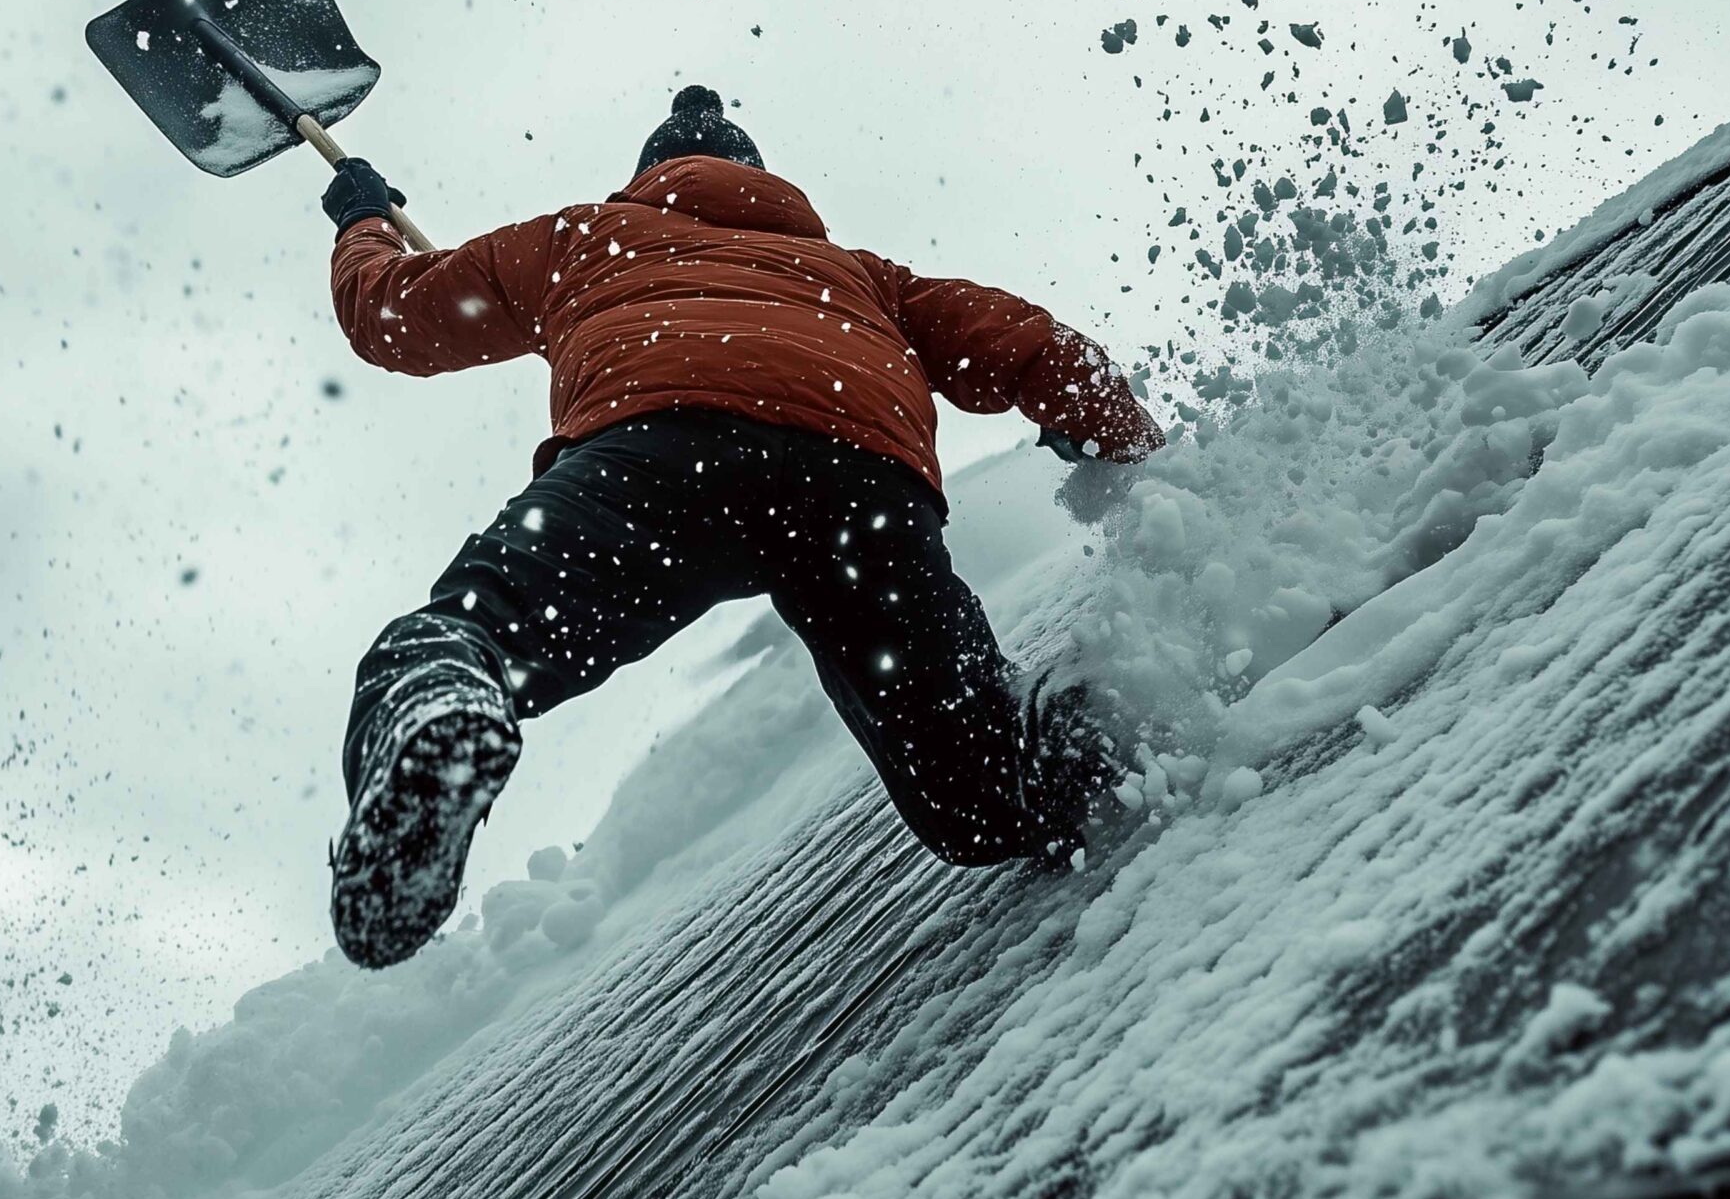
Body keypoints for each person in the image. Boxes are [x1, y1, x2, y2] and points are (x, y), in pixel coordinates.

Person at [322, 85, 1164, 969]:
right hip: (857, 491)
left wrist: (364, 218)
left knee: (469, 636)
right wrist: (1139, 458)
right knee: (988, 794)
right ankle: (1137, 709)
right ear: (762, 182)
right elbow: (1035, 344)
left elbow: (390, 316)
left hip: (659, 464)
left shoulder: (580, 239)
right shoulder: (861, 275)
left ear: (646, 178)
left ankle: (445, 707)